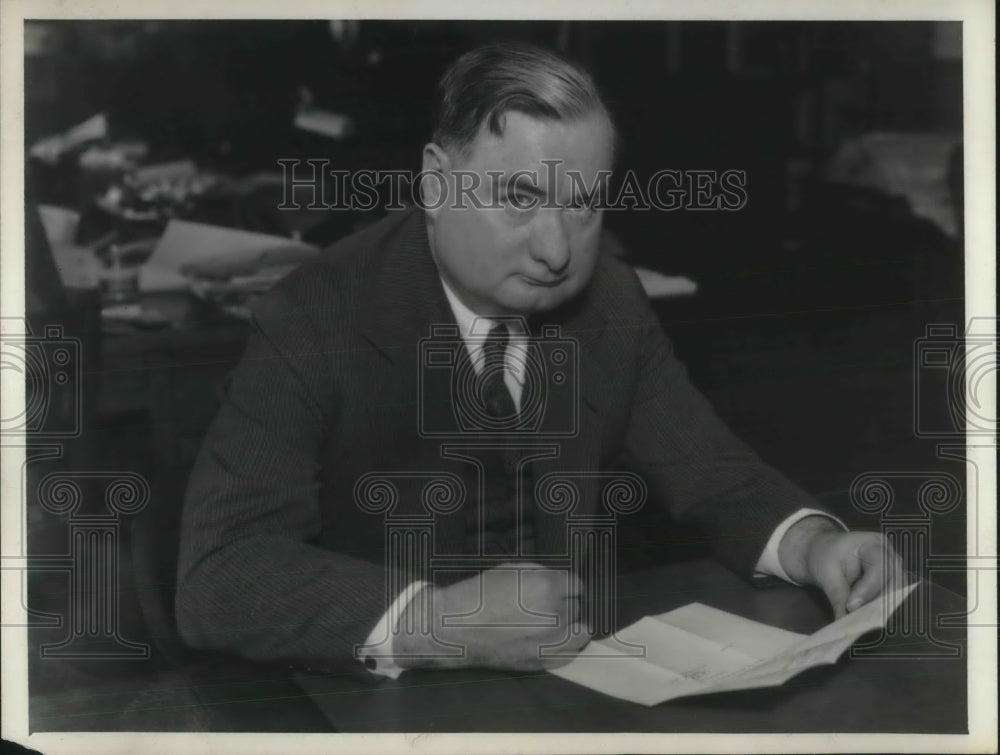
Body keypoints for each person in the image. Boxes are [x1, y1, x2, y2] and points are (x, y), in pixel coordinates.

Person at [176, 42, 903, 678]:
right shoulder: (314, 314)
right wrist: (437, 623)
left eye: (583, 204)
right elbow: (220, 573)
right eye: (519, 198)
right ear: (435, 182)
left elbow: (712, 472)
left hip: (575, 695)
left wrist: (813, 545)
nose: (557, 250)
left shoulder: (610, 299)